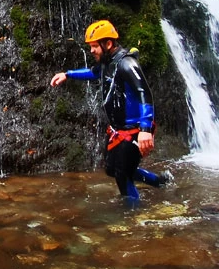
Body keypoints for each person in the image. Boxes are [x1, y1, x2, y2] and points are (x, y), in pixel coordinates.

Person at [50, 20, 172, 206]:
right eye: (90, 47)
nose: (91, 51)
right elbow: (94, 72)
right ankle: (160, 182)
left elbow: (144, 93)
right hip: (118, 129)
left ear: (108, 44)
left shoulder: (127, 63)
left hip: (135, 129)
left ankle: (133, 217)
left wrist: (145, 129)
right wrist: (68, 74)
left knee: (122, 174)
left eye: (94, 46)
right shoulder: (108, 62)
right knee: (111, 169)